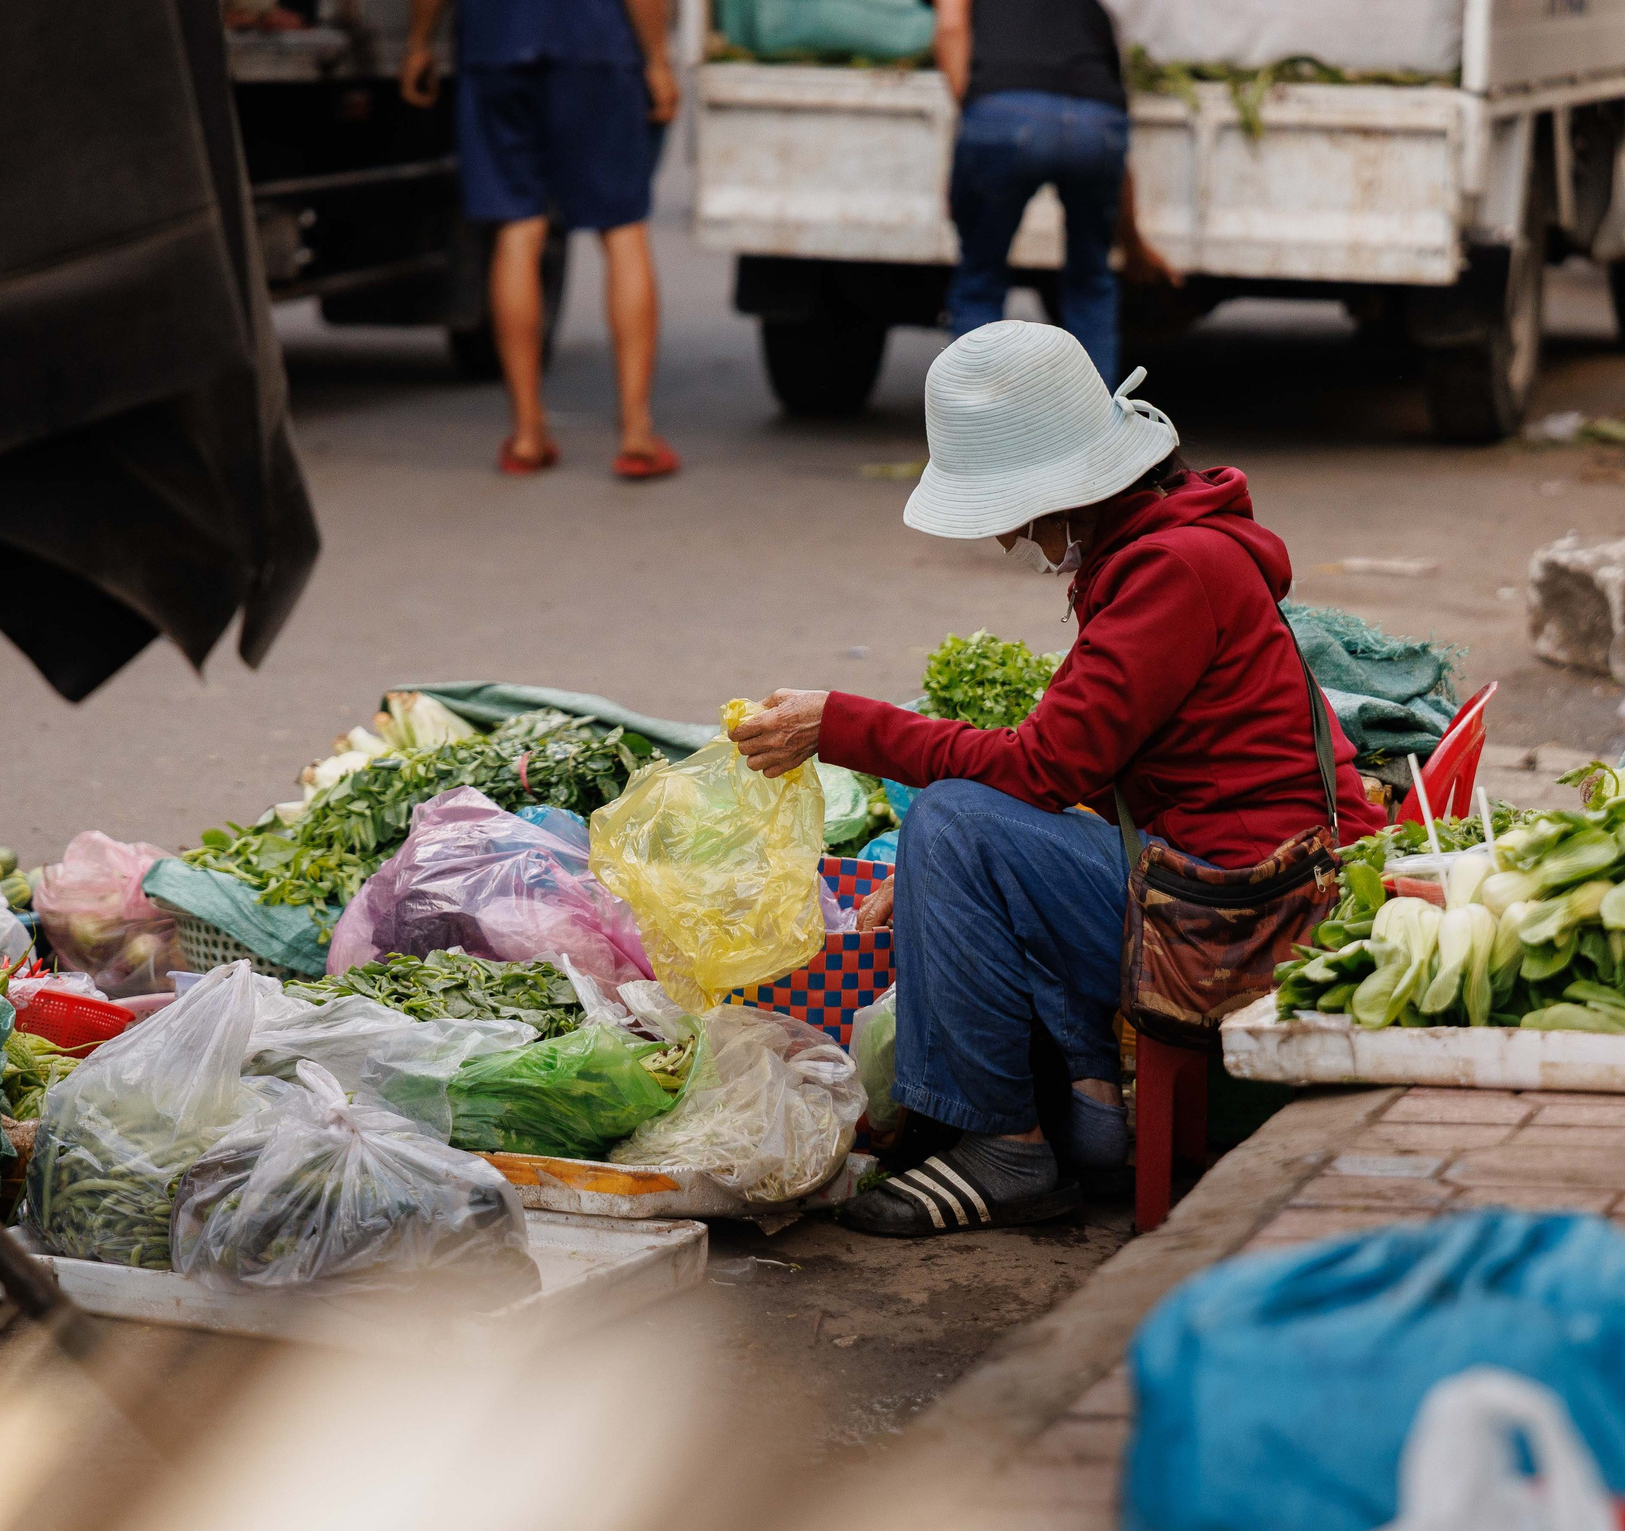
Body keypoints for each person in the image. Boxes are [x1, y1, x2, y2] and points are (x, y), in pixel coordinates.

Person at [731, 322, 1382, 1238]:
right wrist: (928, 887)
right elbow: (1080, 764)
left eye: (1008, 509)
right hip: (1224, 869)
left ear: (1067, 489)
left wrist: (842, 725)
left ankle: (1005, 1145)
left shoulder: (1172, 568)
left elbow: (1046, 765)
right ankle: (1081, 1103)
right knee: (957, 834)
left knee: (954, 821)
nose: (1005, 538)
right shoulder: (1163, 548)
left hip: (1245, 908)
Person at [402, 0, 681, 479]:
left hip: (497, 45)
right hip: (597, 46)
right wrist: (656, 57)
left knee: (518, 227)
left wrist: (419, 44)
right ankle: (636, 433)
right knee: (621, 227)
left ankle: (529, 433)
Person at [933, 0, 1179, 386]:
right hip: (1097, 121)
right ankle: (1099, 433)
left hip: (1003, 110)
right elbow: (1117, 151)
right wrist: (1132, 246)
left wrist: (981, 123)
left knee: (979, 281)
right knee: (1091, 280)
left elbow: (950, 28)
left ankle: (972, 429)